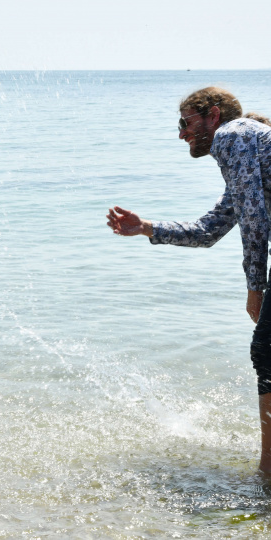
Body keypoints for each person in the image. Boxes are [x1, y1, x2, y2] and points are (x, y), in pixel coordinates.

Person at [106, 87, 271, 473]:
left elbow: (254, 220)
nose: (181, 134)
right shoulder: (251, 146)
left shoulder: (233, 135)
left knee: (267, 351)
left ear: (213, 115)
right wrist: (146, 227)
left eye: (186, 123)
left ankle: (267, 474)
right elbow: (209, 229)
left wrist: (255, 288)